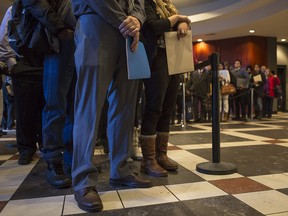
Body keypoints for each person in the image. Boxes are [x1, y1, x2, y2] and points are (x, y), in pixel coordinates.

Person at [71, 0, 151, 212]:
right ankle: (83, 179)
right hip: (96, 22)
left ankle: (121, 169)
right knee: (89, 106)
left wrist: (137, 20)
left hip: (127, 32)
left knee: (125, 106)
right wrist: (125, 21)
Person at [22, 0, 76, 187]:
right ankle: (54, 162)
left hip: (81, 37)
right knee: (55, 104)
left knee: (75, 106)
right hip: (59, 37)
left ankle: (71, 160)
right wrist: (59, 28)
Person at [139, 0, 191, 177]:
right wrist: (177, 18)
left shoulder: (168, 4)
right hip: (157, 58)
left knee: (168, 109)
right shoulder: (146, 2)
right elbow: (153, 27)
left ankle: (161, 155)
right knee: (154, 107)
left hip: (174, 55)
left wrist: (182, 22)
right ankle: (148, 159)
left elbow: (183, 22)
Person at [0, 5, 44, 165]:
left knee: (46, 110)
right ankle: (26, 149)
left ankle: (45, 147)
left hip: (46, 65)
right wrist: (13, 65)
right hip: (23, 66)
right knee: (25, 112)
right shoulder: (13, 9)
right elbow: (4, 39)